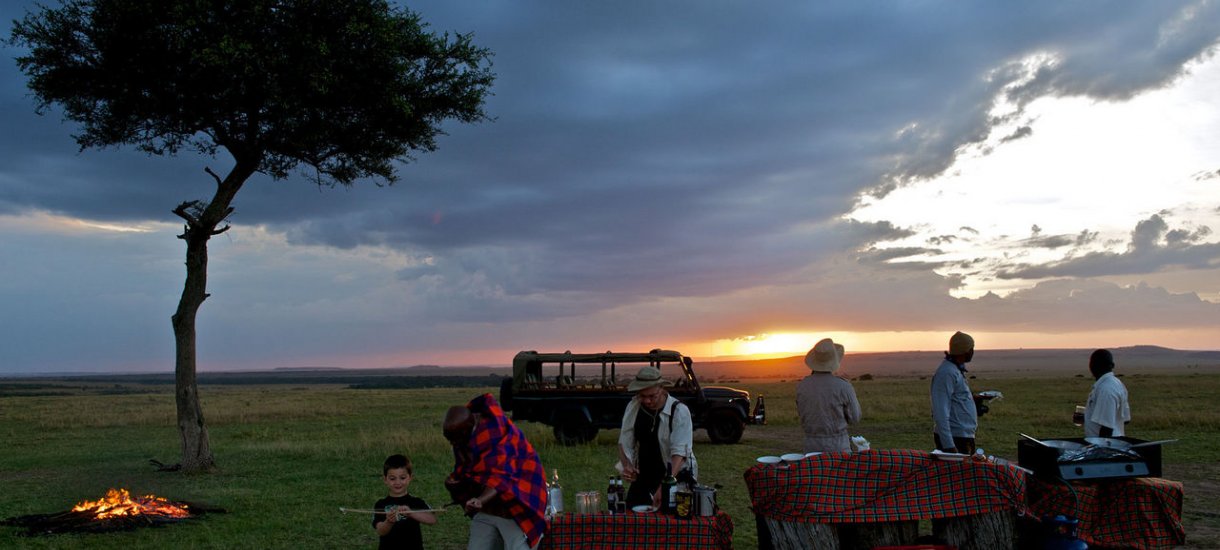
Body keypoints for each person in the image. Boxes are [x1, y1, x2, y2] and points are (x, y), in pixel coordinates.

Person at [443, 393, 548, 550]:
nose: (452, 443)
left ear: (466, 431)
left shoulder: (496, 434)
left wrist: (480, 500)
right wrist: (456, 482)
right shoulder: (463, 439)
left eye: (454, 439)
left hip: (516, 500)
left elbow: (501, 477)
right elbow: (469, 470)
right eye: (449, 439)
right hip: (489, 508)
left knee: (517, 547)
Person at [617, 365, 698, 508]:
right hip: (644, 479)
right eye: (642, 396)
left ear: (661, 388)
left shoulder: (679, 411)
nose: (647, 401)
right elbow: (624, 442)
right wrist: (627, 466)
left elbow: (679, 455)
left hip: (674, 479)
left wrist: (664, 488)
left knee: (670, 524)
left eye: (652, 396)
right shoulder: (634, 406)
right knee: (633, 522)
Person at [796, 338, 862, 453]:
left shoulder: (802, 386)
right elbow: (855, 418)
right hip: (838, 445)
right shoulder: (844, 386)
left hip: (810, 445)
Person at [373, 454, 437, 550]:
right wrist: (389, 521)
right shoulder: (380, 504)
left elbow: (432, 520)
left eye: (402, 478)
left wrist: (411, 513)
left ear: (410, 477)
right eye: (392, 478)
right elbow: (380, 531)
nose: (397, 482)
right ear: (385, 479)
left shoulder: (416, 502)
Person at [930, 331, 978, 455]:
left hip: (962, 435)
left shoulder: (956, 369)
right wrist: (948, 445)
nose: (973, 352)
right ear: (965, 350)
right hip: (955, 438)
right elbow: (940, 411)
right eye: (971, 348)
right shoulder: (947, 373)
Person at [1083, 348, 1131, 437]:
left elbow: (1106, 428)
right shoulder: (1117, 383)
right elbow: (1125, 419)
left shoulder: (1106, 389)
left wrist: (1101, 449)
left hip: (1106, 446)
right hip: (1114, 441)